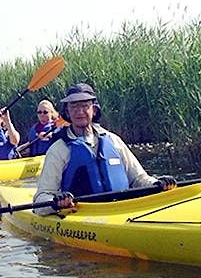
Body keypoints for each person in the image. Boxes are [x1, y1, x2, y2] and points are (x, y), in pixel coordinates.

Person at [33, 83, 176, 215]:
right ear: (67, 112)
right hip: (83, 215)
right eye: (74, 107)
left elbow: (139, 179)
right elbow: (40, 200)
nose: (79, 112)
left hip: (122, 211)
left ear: (94, 110)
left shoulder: (113, 140)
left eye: (85, 106)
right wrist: (57, 202)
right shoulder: (59, 149)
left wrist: (157, 184)